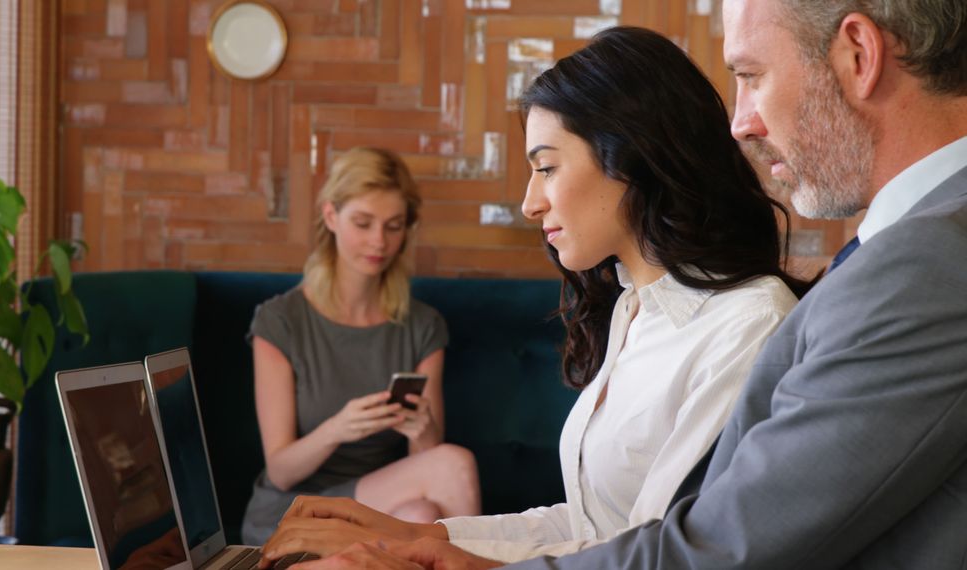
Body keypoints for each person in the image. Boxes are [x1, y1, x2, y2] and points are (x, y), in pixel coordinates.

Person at [286, 0, 967, 567]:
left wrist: (427, 557)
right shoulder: (631, 306)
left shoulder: (910, 266)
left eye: (752, 75)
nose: (741, 123)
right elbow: (604, 525)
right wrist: (423, 539)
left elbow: (706, 548)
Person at [240, 146, 481, 544]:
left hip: (377, 504)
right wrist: (337, 429)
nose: (379, 242)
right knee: (455, 465)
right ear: (331, 216)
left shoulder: (421, 326)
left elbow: (426, 465)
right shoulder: (280, 321)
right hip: (293, 510)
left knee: (422, 512)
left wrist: (422, 432)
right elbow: (280, 470)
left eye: (393, 225)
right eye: (363, 223)